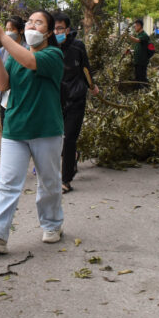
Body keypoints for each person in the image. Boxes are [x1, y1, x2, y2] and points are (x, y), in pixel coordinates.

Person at [0, 10, 65, 254]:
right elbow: (3, 85)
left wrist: (3, 39)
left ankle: (52, 224)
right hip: (15, 128)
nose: (31, 26)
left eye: (38, 23)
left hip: (46, 129)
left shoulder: (53, 54)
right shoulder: (14, 55)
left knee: (48, 182)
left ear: (48, 32)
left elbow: (30, 62)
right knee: (7, 184)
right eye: (29, 22)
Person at [54, 12, 98, 194]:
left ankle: (65, 181)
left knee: (69, 138)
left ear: (68, 29)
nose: (57, 31)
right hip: (56, 100)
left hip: (76, 98)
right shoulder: (48, 47)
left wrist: (92, 86)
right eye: (54, 28)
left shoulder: (78, 46)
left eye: (60, 28)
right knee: (57, 139)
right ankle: (72, 158)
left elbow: (85, 68)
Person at [0, 15, 24, 128]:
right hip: (5, 99)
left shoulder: (28, 49)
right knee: (6, 127)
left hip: (22, 99)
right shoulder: (3, 50)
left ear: (21, 31)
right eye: (6, 29)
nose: (8, 32)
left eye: (11, 29)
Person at [128, 18, 152, 90]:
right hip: (137, 61)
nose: (135, 28)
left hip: (142, 61)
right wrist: (131, 51)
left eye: (135, 26)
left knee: (142, 78)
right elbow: (138, 49)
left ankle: (146, 90)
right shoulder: (139, 35)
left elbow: (137, 40)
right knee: (138, 77)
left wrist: (128, 36)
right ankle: (138, 91)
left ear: (139, 26)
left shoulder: (144, 35)